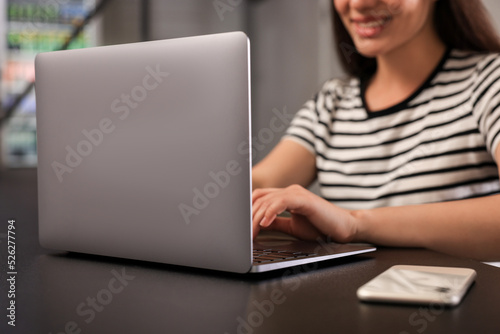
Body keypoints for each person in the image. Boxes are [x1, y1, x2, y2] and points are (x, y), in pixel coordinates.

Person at [251, 0, 500, 262]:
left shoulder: (489, 81)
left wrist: (355, 223)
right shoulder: (331, 102)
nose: (358, 3)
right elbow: (261, 185)